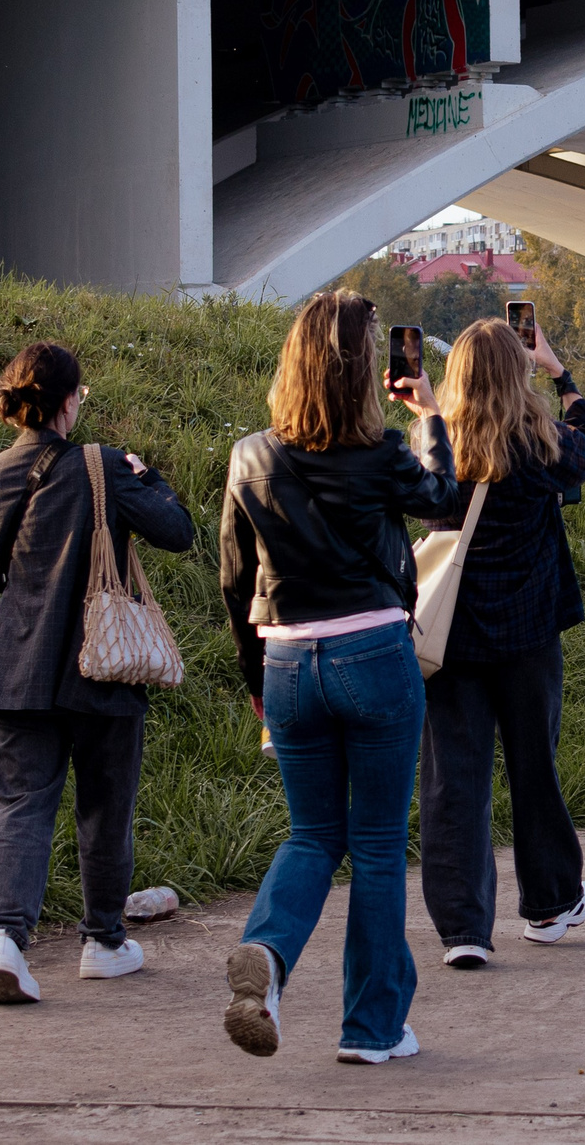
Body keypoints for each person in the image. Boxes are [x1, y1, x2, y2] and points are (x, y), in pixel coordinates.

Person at [216, 290, 462, 1064]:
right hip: (374, 655)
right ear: (363, 372)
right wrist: (427, 414)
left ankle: (270, 952)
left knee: (312, 833)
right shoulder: (385, 452)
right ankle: (371, 1027)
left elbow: (233, 579)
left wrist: (258, 680)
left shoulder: (249, 454)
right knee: (380, 846)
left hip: (288, 660)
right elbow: (445, 503)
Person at [0, 340, 195, 1005]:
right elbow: (177, 531)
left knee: (21, 803)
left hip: (16, 664)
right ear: (68, 401)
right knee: (104, 805)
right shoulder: (103, 465)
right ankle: (103, 940)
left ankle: (7, 938)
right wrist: (146, 477)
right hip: (102, 663)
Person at [419, 318, 585, 967]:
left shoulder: (440, 448)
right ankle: (550, 903)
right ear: (518, 374)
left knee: (454, 780)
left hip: (453, 641)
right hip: (529, 636)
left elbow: (412, 497)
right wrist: (561, 373)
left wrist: (422, 414)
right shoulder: (541, 444)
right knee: (535, 767)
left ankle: (464, 929)